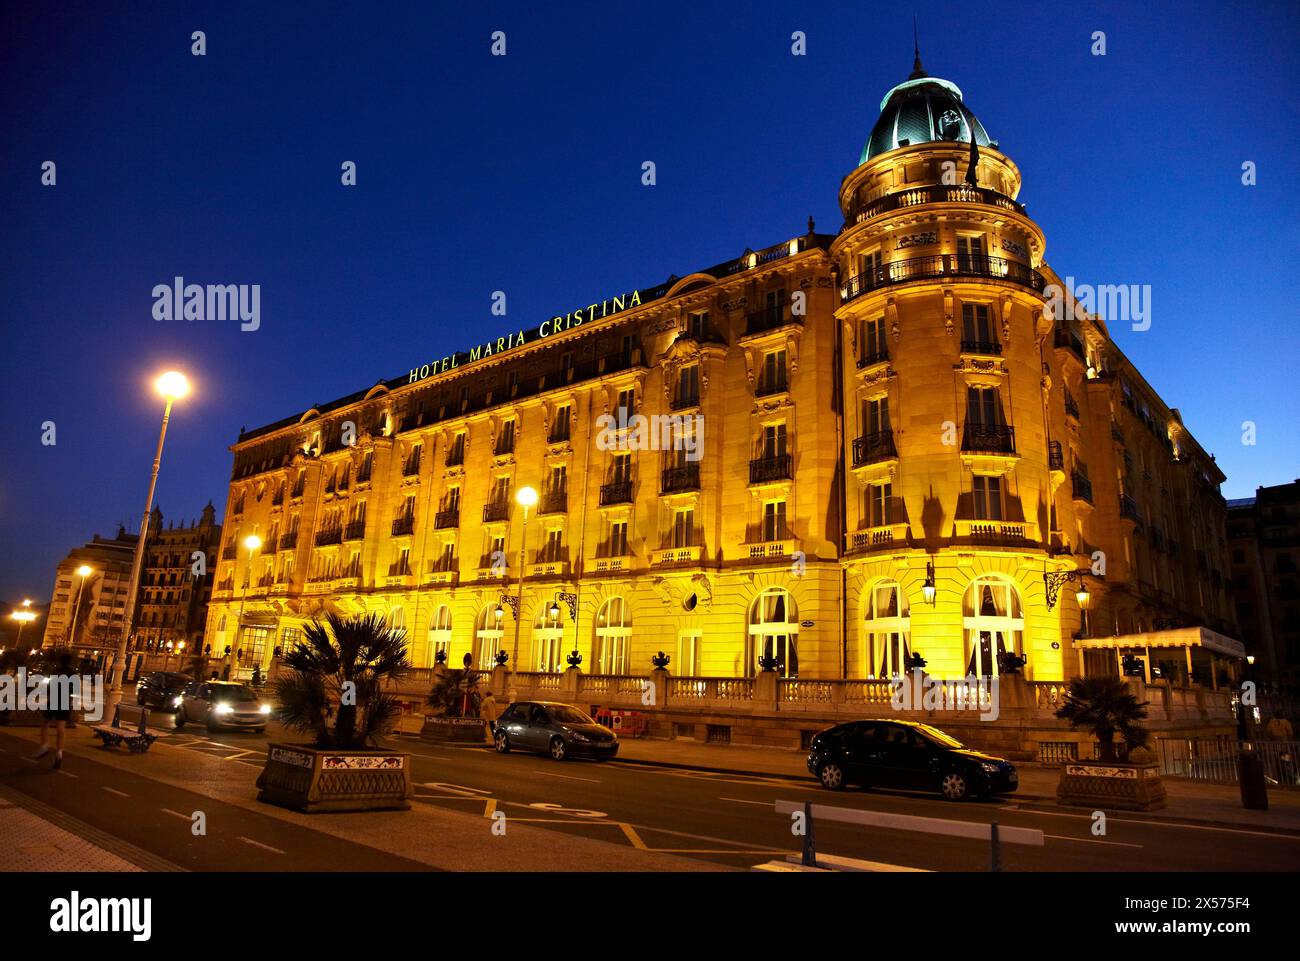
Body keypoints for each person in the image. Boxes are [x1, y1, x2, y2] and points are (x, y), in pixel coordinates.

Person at [32, 650, 75, 770]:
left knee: (45, 722)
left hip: (54, 699)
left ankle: (44, 745)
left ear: (60, 661)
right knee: (61, 728)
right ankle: (59, 753)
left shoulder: (56, 671)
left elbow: (50, 686)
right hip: (66, 701)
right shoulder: (73, 673)